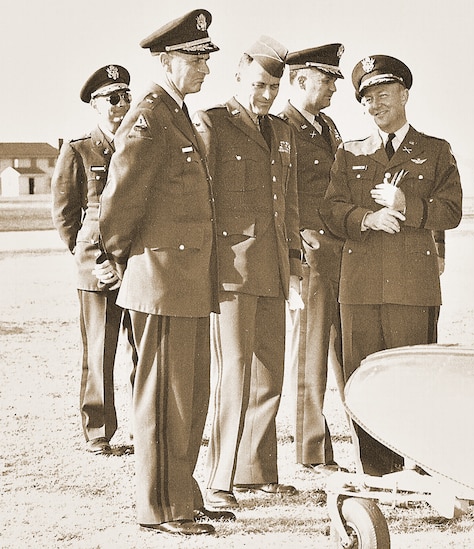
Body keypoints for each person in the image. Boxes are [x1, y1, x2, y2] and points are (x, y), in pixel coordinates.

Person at [98, 8, 234, 535]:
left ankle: (183, 491)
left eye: (205, 59)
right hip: (159, 282)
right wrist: (126, 262)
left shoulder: (176, 114)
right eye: (195, 58)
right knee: (161, 397)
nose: (204, 69)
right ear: (166, 60)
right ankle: (159, 507)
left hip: (187, 281)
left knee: (189, 394)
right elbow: (119, 201)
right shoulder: (149, 117)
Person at [320, 54, 462, 476]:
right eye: (366, 98)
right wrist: (366, 218)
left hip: (411, 287)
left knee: (413, 376)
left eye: (383, 94)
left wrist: (407, 205)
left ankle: (419, 463)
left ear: (404, 95)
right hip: (360, 288)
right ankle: (377, 469)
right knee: (362, 380)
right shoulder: (349, 152)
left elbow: (451, 211)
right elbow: (330, 209)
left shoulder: (434, 151)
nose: (375, 104)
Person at [194, 36, 302, 511]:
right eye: (259, 84)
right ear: (238, 77)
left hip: (274, 270)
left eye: (274, 87)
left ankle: (257, 473)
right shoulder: (213, 125)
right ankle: (220, 480)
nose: (266, 95)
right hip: (232, 274)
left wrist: (294, 265)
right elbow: (203, 205)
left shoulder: (281, 132)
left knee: (269, 375)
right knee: (234, 374)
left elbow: (289, 206)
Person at [51, 64, 138, 456]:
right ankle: (98, 432)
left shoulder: (139, 144)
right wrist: (88, 258)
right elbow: (66, 214)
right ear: (95, 105)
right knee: (100, 352)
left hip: (138, 265)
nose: (121, 105)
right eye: (112, 99)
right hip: (98, 270)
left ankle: (147, 425)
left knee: (144, 349)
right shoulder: (79, 149)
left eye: (126, 97)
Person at [278, 42, 347, 475]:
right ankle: (311, 449)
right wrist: (295, 237)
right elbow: (279, 192)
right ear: (300, 80)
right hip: (310, 256)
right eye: (326, 81)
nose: (333, 91)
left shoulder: (327, 126)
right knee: (311, 353)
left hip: (341, 252)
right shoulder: (279, 127)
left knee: (344, 351)